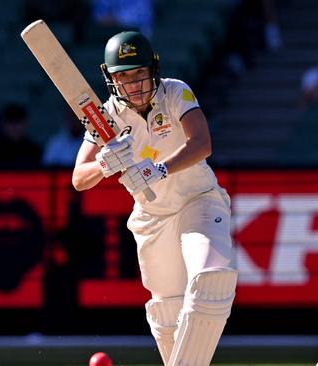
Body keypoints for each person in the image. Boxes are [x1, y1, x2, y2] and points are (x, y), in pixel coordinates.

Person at [71, 30, 237, 365]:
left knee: (211, 278)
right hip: (151, 217)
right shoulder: (106, 116)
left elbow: (202, 143)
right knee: (166, 311)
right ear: (111, 79)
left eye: (138, 74)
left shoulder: (176, 92)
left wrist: (159, 169)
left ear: (153, 70)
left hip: (198, 201)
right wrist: (104, 164)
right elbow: (79, 178)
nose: (133, 84)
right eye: (123, 77)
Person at [0, 103, 42, 169]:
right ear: (3, 124)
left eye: (18, 122)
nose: (14, 127)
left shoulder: (34, 150)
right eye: (10, 122)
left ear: (25, 124)